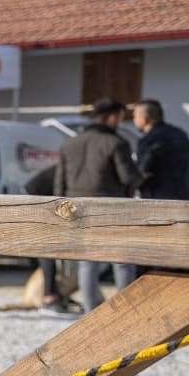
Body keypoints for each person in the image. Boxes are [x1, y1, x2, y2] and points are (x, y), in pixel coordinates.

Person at [55, 98, 140, 311]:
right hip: (111, 210)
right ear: (112, 117)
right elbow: (128, 177)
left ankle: (90, 310)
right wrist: (142, 175)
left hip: (77, 211)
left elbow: (59, 185)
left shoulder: (69, 144)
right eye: (120, 118)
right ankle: (125, 309)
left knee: (87, 263)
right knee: (121, 261)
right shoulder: (116, 143)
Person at [24, 164, 80, 315]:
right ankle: (49, 296)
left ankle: (57, 293)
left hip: (39, 199)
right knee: (47, 251)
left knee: (50, 253)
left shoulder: (70, 167)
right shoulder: (69, 170)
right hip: (34, 200)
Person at [133, 99, 189, 202]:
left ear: (144, 118)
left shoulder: (149, 139)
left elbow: (142, 171)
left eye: (135, 116)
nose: (134, 120)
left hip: (159, 201)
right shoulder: (180, 134)